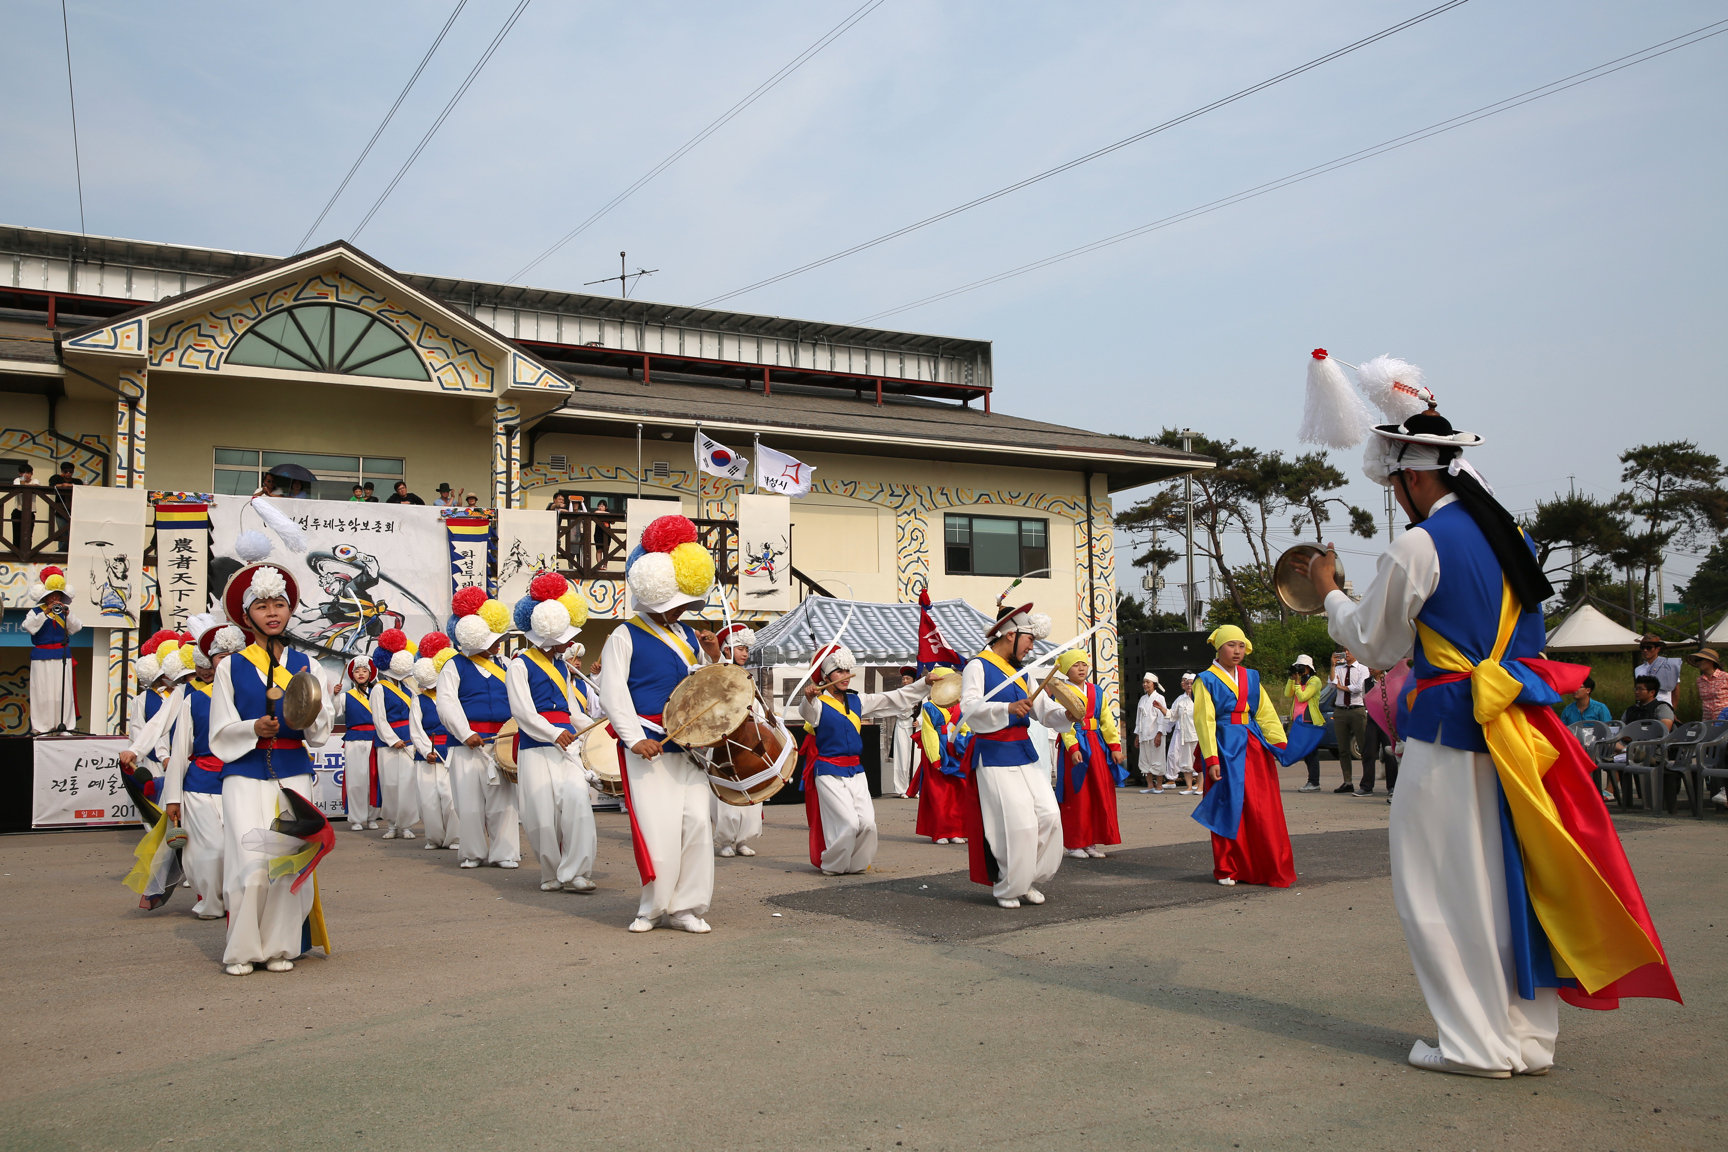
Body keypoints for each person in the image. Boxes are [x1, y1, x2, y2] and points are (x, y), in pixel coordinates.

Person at [1301, 374, 1677, 1076]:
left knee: (1440, 890)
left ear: (1410, 479)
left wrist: (1329, 597)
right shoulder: (1515, 539)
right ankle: (1527, 1041)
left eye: (1391, 484)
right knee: (1513, 882)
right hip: (1519, 729)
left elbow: (1375, 646)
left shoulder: (1420, 546)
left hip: (1449, 732)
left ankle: (1475, 1044)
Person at [207, 562, 335, 975]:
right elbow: (219, 731)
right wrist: (252, 727)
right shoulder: (229, 666)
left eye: (279, 604)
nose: (273, 612)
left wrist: (310, 713)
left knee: (286, 862)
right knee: (249, 866)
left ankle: (281, 947)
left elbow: (320, 729)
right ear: (247, 616)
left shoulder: (308, 666)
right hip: (244, 773)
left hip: (293, 769)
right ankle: (242, 950)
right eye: (262, 606)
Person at [598, 515, 723, 933]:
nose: (687, 607)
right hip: (648, 746)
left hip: (688, 746)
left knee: (696, 826)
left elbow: (698, 688)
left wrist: (712, 656)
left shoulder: (689, 635)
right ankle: (651, 908)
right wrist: (633, 739)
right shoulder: (623, 635)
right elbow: (612, 693)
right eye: (680, 601)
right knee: (658, 831)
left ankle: (687, 907)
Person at [958, 602, 1075, 909]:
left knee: (1048, 816)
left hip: (1024, 752)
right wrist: (1006, 708)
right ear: (1011, 634)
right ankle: (1008, 887)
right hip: (993, 752)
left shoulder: (1022, 673)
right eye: (1029, 640)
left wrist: (1069, 714)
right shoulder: (977, 666)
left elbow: (1045, 712)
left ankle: (1026, 880)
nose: (1032, 647)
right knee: (1018, 824)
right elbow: (968, 710)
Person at [799, 644, 931, 876]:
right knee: (849, 824)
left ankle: (857, 864)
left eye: (847, 670)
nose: (845, 676)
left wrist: (924, 684)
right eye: (839, 671)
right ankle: (833, 865)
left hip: (856, 771)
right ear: (825, 676)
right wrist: (808, 698)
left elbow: (895, 698)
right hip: (828, 771)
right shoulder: (819, 704)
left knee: (868, 824)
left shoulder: (857, 700)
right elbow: (807, 712)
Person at [508, 577, 598, 894]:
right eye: (564, 639)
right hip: (535, 744)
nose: (568, 645)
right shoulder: (519, 665)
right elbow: (522, 711)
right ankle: (549, 872)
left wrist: (593, 728)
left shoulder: (562, 666)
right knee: (541, 814)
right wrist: (552, 732)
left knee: (577, 803)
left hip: (567, 743)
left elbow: (572, 709)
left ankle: (576, 871)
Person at [158, 615, 249, 919]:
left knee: (240, 848)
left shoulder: (252, 697)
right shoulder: (192, 699)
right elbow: (180, 749)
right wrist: (172, 798)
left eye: (236, 656)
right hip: (201, 785)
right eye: (223, 656)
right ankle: (211, 901)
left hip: (242, 781)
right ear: (211, 661)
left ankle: (237, 900)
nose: (229, 662)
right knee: (211, 849)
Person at [1191, 625, 1295, 889]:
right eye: (1231, 645)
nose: (1237, 651)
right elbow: (1205, 721)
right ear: (1219, 647)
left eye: (1241, 645)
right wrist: (1211, 759)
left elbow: (1266, 713)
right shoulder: (1206, 679)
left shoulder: (1251, 676)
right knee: (1229, 805)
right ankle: (1227, 866)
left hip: (1253, 745)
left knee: (1262, 807)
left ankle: (1264, 865)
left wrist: (1280, 743)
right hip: (1224, 746)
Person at [437, 591, 522, 869]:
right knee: (469, 802)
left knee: (504, 802)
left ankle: (505, 852)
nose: (499, 644)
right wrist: (464, 733)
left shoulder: (508, 665)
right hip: (467, 745)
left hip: (501, 743)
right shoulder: (454, 665)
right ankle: (473, 852)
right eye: (493, 640)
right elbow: (447, 704)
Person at [1055, 649, 1125, 858]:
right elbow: (1063, 723)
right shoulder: (1062, 692)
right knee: (1078, 794)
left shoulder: (1097, 691)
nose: (1081, 668)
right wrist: (1073, 748)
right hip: (1076, 745)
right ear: (1067, 669)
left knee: (1097, 792)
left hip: (1097, 744)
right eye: (1076, 665)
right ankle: (1075, 843)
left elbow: (1107, 720)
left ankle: (1091, 841)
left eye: (1083, 664)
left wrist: (1115, 747)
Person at [711, 623, 765, 858]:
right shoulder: (717, 673)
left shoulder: (748, 676)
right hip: (725, 739)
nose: (745, 653)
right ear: (727, 649)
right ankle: (725, 840)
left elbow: (756, 705)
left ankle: (743, 839)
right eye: (740, 648)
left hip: (748, 738)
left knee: (751, 790)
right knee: (727, 792)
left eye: (746, 649)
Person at [368, 633, 420, 840]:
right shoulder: (379, 688)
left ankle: (406, 825)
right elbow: (379, 718)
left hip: (409, 738)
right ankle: (391, 824)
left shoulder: (409, 688)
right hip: (388, 742)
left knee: (408, 782)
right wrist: (391, 739)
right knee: (390, 783)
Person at [409, 642, 459, 852]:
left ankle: (454, 837)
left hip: (449, 751)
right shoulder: (418, 700)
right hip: (427, 754)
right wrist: (425, 751)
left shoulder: (452, 697)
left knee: (450, 797)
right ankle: (434, 838)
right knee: (428, 799)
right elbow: (415, 730)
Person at [911, 667, 968, 845]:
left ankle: (956, 830)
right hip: (938, 752)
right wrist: (935, 757)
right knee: (939, 794)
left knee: (958, 792)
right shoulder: (929, 707)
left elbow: (965, 728)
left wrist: (964, 745)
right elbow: (928, 734)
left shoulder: (960, 706)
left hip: (955, 752)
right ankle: (940, 831)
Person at [22, 566, 81, 734]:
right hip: (42, 655)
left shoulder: (65, 612)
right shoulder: (36, 612)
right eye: (51, 596)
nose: (55, 598)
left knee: (63, 692)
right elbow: (29, 627)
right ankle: (41, 727)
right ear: (45, 597)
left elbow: (76, 628)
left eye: (58, 595)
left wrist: (67, 614)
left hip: (62, 654)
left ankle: (65, 726)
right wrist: (46, 613)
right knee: (42, 692)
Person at [340, 657, 381, 831]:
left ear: (370, 674)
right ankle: (356, 818)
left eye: (364, 671)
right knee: (356, 780)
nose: (361, 674)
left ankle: (372, 817)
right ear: (352, 675)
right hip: (354, 740)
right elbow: (332, 712)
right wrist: (334, 696)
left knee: (373, 779)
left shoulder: (378, 694)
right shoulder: (345, 696)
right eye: (357, 671)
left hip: (374, 739)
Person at [1329, 650, 1369, 793]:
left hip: (1357, 710)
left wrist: (1340, 686)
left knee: (1363, 747)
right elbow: (1332, 683)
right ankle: (1347, 781)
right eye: (1344, 650)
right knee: (1343, 749)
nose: (1346, 653)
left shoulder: (1362, 669)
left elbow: (1358, 688)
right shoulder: (1339, 669)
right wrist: (1333, 666)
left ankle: (1367, 781)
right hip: (1340, 710)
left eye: (1349, 650)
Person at [1285, 655, 1326, 793]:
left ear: (1309, 668)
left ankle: (1314, 782)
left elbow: (1303, 697)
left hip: (1309, 720)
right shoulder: (1298, 680)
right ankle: (1312, 781)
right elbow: (1287, 694)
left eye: (1301, 667)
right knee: (1306, 752)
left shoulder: (1315, 681)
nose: (1300, 669)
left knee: (1311, 752)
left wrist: (1297, 684)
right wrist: (1292, 679)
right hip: (1298, 720)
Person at [883, 665, 919, 798]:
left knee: (915, 759)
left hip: (915, 729)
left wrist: (919, 721)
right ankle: (902, 788)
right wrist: (910, 707)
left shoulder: (920, 694)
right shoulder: (899, 694)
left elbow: (926, 710)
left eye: (908, 678)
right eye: (903, 679)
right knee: (902, 758)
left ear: (913, 680)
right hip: (902, 727)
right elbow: (900, 713)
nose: (905, 681)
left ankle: (915, 788)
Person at [1165, 672, 1201, 795]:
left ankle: (1200, 787)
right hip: (1184, 736)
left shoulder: (1201, 698)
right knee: (1185, 762)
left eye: (1192, 683)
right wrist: (1162, 709)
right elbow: (1173, 715)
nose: (1189, 685)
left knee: (1198, 762)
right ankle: (1189, 787)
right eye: (1188, 683)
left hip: (1197, 735)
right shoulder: (1181, 700)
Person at [1133, 674, 1168, 793]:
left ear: (1154, 684)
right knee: (1145, 760)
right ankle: (1149, 785)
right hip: (1144, 734)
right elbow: (1139, 719)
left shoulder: (1159, 698)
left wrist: (1159, 733)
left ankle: (1159, 785)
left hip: (1154, 733)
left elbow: (1162, 718)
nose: (1145, 684)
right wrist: (1138, 735)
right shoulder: (1142, 699)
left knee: (1157, 759)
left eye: (1148, 682)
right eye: (1144, 682)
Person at [1633, 635, 1682, 706]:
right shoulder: (1638, 669)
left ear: (1658, 649)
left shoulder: (1668, 665)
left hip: (1663, 705)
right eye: (1642, 647)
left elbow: (1675, 689)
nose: (1645, 650)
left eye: (1649, 647)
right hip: (1645, 707)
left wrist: (1672, 709)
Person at [1687, 648, 1728, 725]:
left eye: (1700, 660)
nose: (1698, 663)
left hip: (1724, 718)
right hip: (1708, 719)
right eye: (1696, 661)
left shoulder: (1725, 676)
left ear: (1711, 661)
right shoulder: (1699, 680)